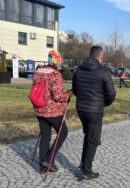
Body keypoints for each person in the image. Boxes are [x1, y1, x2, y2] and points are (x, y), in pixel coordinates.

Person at [72, 46, 116, 179]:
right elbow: (111, 94)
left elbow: (75, 90)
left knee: (89, 136)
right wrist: (104, 104)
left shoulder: (78, 70)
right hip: (95, 111)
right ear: (100, 57)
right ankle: (86, 170)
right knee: (93, 139)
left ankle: (83, 163)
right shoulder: (103, 71)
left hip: (81, 109)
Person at [33, 50, 73, 172]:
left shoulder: (38, 72)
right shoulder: (55, 74)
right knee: (63, 132)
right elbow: (58, 96)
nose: (60, 61)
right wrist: (69, 94)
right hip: (52, 111)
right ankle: (49, 159)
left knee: (45, 135)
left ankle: (43, 166)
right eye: (59, 59)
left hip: (39, 109)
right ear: (56, 60)